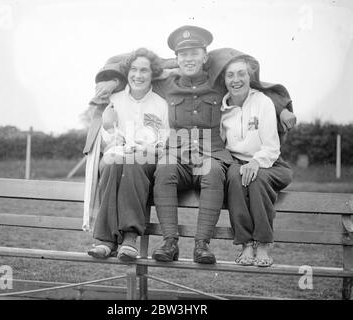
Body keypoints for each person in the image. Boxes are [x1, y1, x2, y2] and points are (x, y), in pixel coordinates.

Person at [91, 25, 296, 265]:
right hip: (177, 152)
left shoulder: (220, 81)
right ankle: (170, 243)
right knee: (165, 169)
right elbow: (130, 71)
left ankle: (202, 245)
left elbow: (252, 85)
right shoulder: (165, 84)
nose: (189, 59)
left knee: (211, 171)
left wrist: (281, 109)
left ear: (205, 57)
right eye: (183, 54)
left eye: (195, 53)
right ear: (176, 59)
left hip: (211, 151)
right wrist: (106, 85)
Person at [85, 48, 169, 261]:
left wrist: (146, 148)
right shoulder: (114, 99)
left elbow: (163, 141)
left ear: (152, 74)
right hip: (118, 156)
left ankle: (130, 238)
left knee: (133, 162)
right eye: (133, 70)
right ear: (127, 72)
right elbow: (108, 140)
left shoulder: (161, 104)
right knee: (114, 162)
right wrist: (108, 125)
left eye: (144, 71)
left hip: (147, 159)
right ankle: (106, 240)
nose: (138, 75)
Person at [220, 53, 293, 267]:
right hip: (237, 164)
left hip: (269, 163)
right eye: (230, 75)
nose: (236, 80)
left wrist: (256, 162)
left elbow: (271, 145)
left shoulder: (263, 102)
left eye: (241, 74)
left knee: (257, 178)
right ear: (224, 80)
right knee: (235, 177)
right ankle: (245, 245)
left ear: (250, 77)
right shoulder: (221, 110)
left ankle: (262, 244)